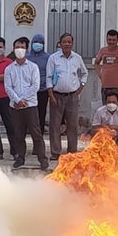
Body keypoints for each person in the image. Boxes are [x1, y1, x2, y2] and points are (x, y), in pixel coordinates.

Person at [5, 37, 46, 170]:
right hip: (15, 107)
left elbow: (35, 86)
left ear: (27, 50)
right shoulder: (9, 69)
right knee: (18, 133)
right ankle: (20, 157)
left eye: (22, 47)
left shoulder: (33, 67)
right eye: (17, 47)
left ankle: (42, 158)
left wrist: (22, 100)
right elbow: (8, 87)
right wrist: (17, 100)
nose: (19, 50)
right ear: (13, 49)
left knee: (36, 133)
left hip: (30, 106)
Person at [46, 32, 87, 160]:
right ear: (60, 43)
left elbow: (84, 73)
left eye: (69, 42)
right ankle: (55, 152)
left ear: (72, 43)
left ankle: (72, 151)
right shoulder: (53, 58)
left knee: (72, 125)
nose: (67, 44)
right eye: (64, 42)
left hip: (72, 97)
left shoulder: (77, 58)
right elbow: (48, 77)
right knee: (55, 125)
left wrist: (81, 87)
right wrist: (51, 95)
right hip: (56, 96)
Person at [27, 33, 51, 133]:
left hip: (43, 90)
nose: (38, 44)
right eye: (36, 42)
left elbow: (50, 73)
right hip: (29, 91)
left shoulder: (48, 57)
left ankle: (40, 132)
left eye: (41, 42)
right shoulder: (27, 57)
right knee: (29, 113)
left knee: (41, 113)